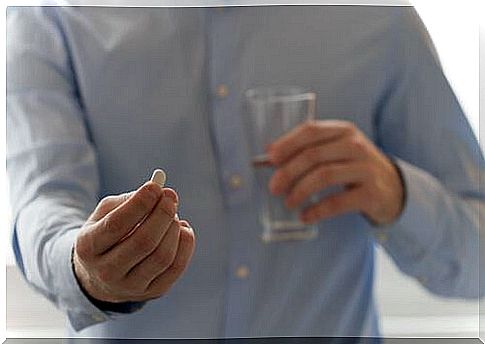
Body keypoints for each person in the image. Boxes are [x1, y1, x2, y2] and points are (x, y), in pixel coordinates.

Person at [6, 4, 484, 342]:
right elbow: (42, 203)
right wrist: (83, 268)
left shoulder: (382, 22)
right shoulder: (50, 20)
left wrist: (398, 194)